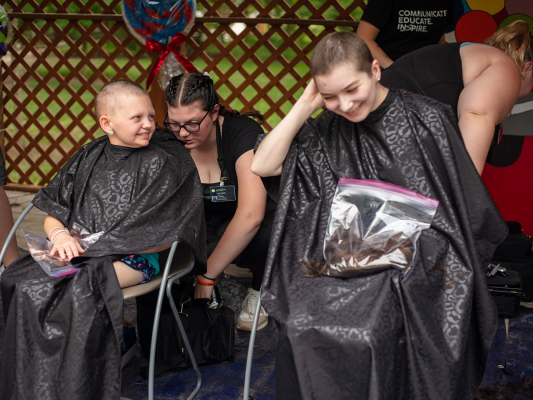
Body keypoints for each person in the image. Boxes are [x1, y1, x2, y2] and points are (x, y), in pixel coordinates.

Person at [251, 32, 506, 400]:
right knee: (301, 324)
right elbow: (263, 164)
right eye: (330, 96)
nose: (344, 104)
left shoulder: (427, 118)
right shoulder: (324, 128)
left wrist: (404, 232)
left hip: (419, 251)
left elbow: (462, 209)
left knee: (371, 329)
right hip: (340, 256)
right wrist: (307, 105)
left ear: (375, 70)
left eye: (352, 88)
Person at [0, 80, 206, 399]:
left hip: (139, 256)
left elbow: (164, 234)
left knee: (76, 288)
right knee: (21, 281)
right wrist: (60, 235)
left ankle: (77, 386)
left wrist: (93, 247)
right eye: (136, 118)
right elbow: (55, 210)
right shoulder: (90, 154)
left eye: (151, 116)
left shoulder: (167, 158)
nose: (148, 124)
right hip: (81, 248)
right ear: (106, 124)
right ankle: (36, 384)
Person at [163, 72, 275, 331]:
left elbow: (251, 215)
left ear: (214, 113)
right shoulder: (171, 140)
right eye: (174, 123)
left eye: (192, 123)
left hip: (249, 227)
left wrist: (207, 277)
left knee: (267, 229)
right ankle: (212, 266)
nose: (182, 133)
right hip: (204, 225)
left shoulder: (241, 132)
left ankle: (260, 288)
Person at [379, 20, 533, 174]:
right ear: (528, 67)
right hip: (390, 125)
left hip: (381, 120)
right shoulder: (508, 69)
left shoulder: (473, 53)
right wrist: (466, 192)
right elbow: (476, 116)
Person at [356, 0, 454, 68]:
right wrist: (397, 72)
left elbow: (441, 38)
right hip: (388, 70)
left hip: (426, 72)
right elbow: (364, 38)